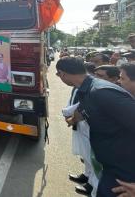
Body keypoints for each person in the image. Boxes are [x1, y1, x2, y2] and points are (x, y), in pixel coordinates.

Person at [56, 57, 135, 197]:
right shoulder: (87, 90)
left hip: (126, 176)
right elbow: (84, 111)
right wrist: (73, 119)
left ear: (62, 74)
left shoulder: (101, 92)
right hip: (110, 169)